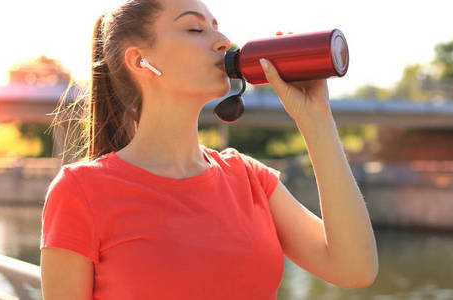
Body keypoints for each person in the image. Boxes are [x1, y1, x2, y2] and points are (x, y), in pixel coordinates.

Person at [39, 0, 378, 299]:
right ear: (141, 61)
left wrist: (316, 120)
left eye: (216, 28)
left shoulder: (249, 178)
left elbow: (355, 269)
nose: (223, 42)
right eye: (194, 29)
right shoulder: (80, 191)